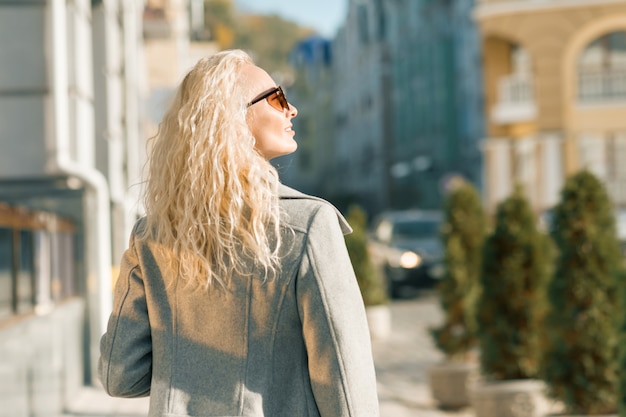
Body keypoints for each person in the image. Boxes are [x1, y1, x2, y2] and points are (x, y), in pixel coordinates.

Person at [98, 49, 380, 417]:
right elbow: (345, 380)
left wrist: (188, 367)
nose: (291, 109)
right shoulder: (308, 225)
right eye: (278, 98)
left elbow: (120, 375)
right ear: (236, 118)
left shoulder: (152, 235)